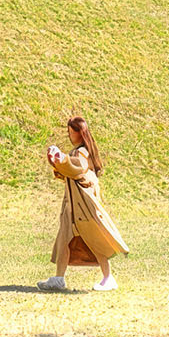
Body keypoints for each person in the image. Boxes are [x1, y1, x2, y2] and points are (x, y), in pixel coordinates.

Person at [39, 114, 128, 293]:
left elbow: (77, 168)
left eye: (70, 132)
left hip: (83, 208)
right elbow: (69, 172)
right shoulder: (80, 151)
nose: (69, 135)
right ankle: (58, 278)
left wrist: (62, 159)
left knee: (94, 240)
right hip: (72, 208)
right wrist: (58, 163)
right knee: (64, 241)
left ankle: (108, 278)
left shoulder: (81, 152)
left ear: (78, 133)